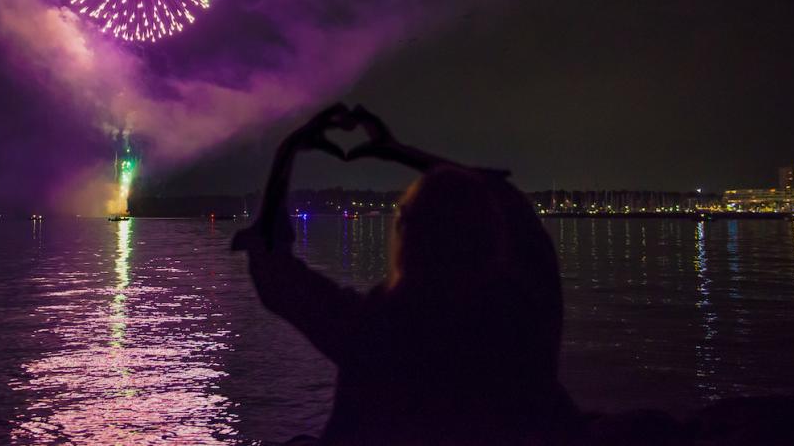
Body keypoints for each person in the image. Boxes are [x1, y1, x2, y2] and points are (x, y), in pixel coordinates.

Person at [232, 104, 578, 445]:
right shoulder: (525, 314)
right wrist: (400, 152)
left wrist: (287, 151)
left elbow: (274, 269)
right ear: (492, 231)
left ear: (406, 231)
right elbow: (509, 200)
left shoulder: (379, 330)